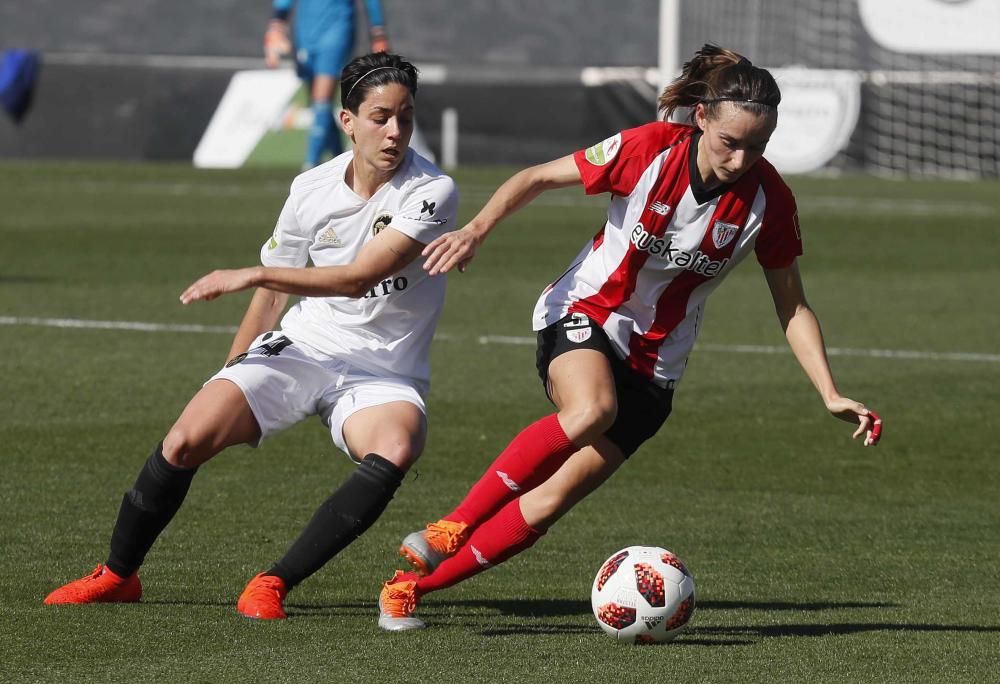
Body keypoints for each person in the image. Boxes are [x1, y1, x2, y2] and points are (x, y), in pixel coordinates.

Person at [375, 44, 883, 632]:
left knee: (550, 501)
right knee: (592, 409)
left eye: (757, 147)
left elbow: (791, 303)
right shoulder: (647, 149)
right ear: (702, 120)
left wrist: (829, 391)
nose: (742, 158)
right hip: (585, 309)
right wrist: (477, 230)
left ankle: (412, 588)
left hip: (658, 362)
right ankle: (453, 525)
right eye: (730, 142)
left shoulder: (770, 201)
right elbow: (538, 176)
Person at [44, 52, 459, 621]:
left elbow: (359, 276)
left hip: (382, 372)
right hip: (306, 346)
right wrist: (232, 373)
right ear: (347, 121)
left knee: (396, 448)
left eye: (405, 118)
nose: (395, 132)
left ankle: (272, 583)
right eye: (381, 117)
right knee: (187, 438)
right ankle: (117, 575)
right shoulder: (310, 189)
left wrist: (254, 271)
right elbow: (271, 300)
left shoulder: (432, 190)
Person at [265, 0, 390, 169]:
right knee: (318, 105)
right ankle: (342, 162)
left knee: (321, 98)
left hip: (337, 30)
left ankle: (310, 164)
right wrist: (277, 24)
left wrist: (378, 31)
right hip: (305, 33)